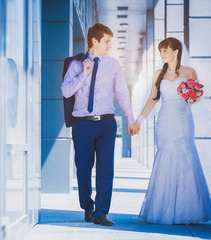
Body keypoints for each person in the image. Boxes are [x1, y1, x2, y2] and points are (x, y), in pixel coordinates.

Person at [61, 23, 138, 226]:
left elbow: (121, 93)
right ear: (94, 41)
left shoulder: (112, 64)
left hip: (106, 123)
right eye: (107, 42)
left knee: (106, 168)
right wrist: (82, 76)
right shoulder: (76, 64)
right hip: (82, 124)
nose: (109, 46)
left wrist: (130, 119)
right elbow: (65, 91)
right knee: (83, 167)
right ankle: (87, 206)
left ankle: (101, 212)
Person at [135, 37, 211, 224]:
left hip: (183, 120)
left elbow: (196, 98)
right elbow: (153, 100)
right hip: (165, 121)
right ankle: (163, 208)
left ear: (176, 52)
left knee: (185, 156)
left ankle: (188, 209)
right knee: (165, 156)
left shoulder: (189, 72)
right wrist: (139, 120)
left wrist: (192, 98)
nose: (161, 54)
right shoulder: (158, 74)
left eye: (164, 51)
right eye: (160, 51)